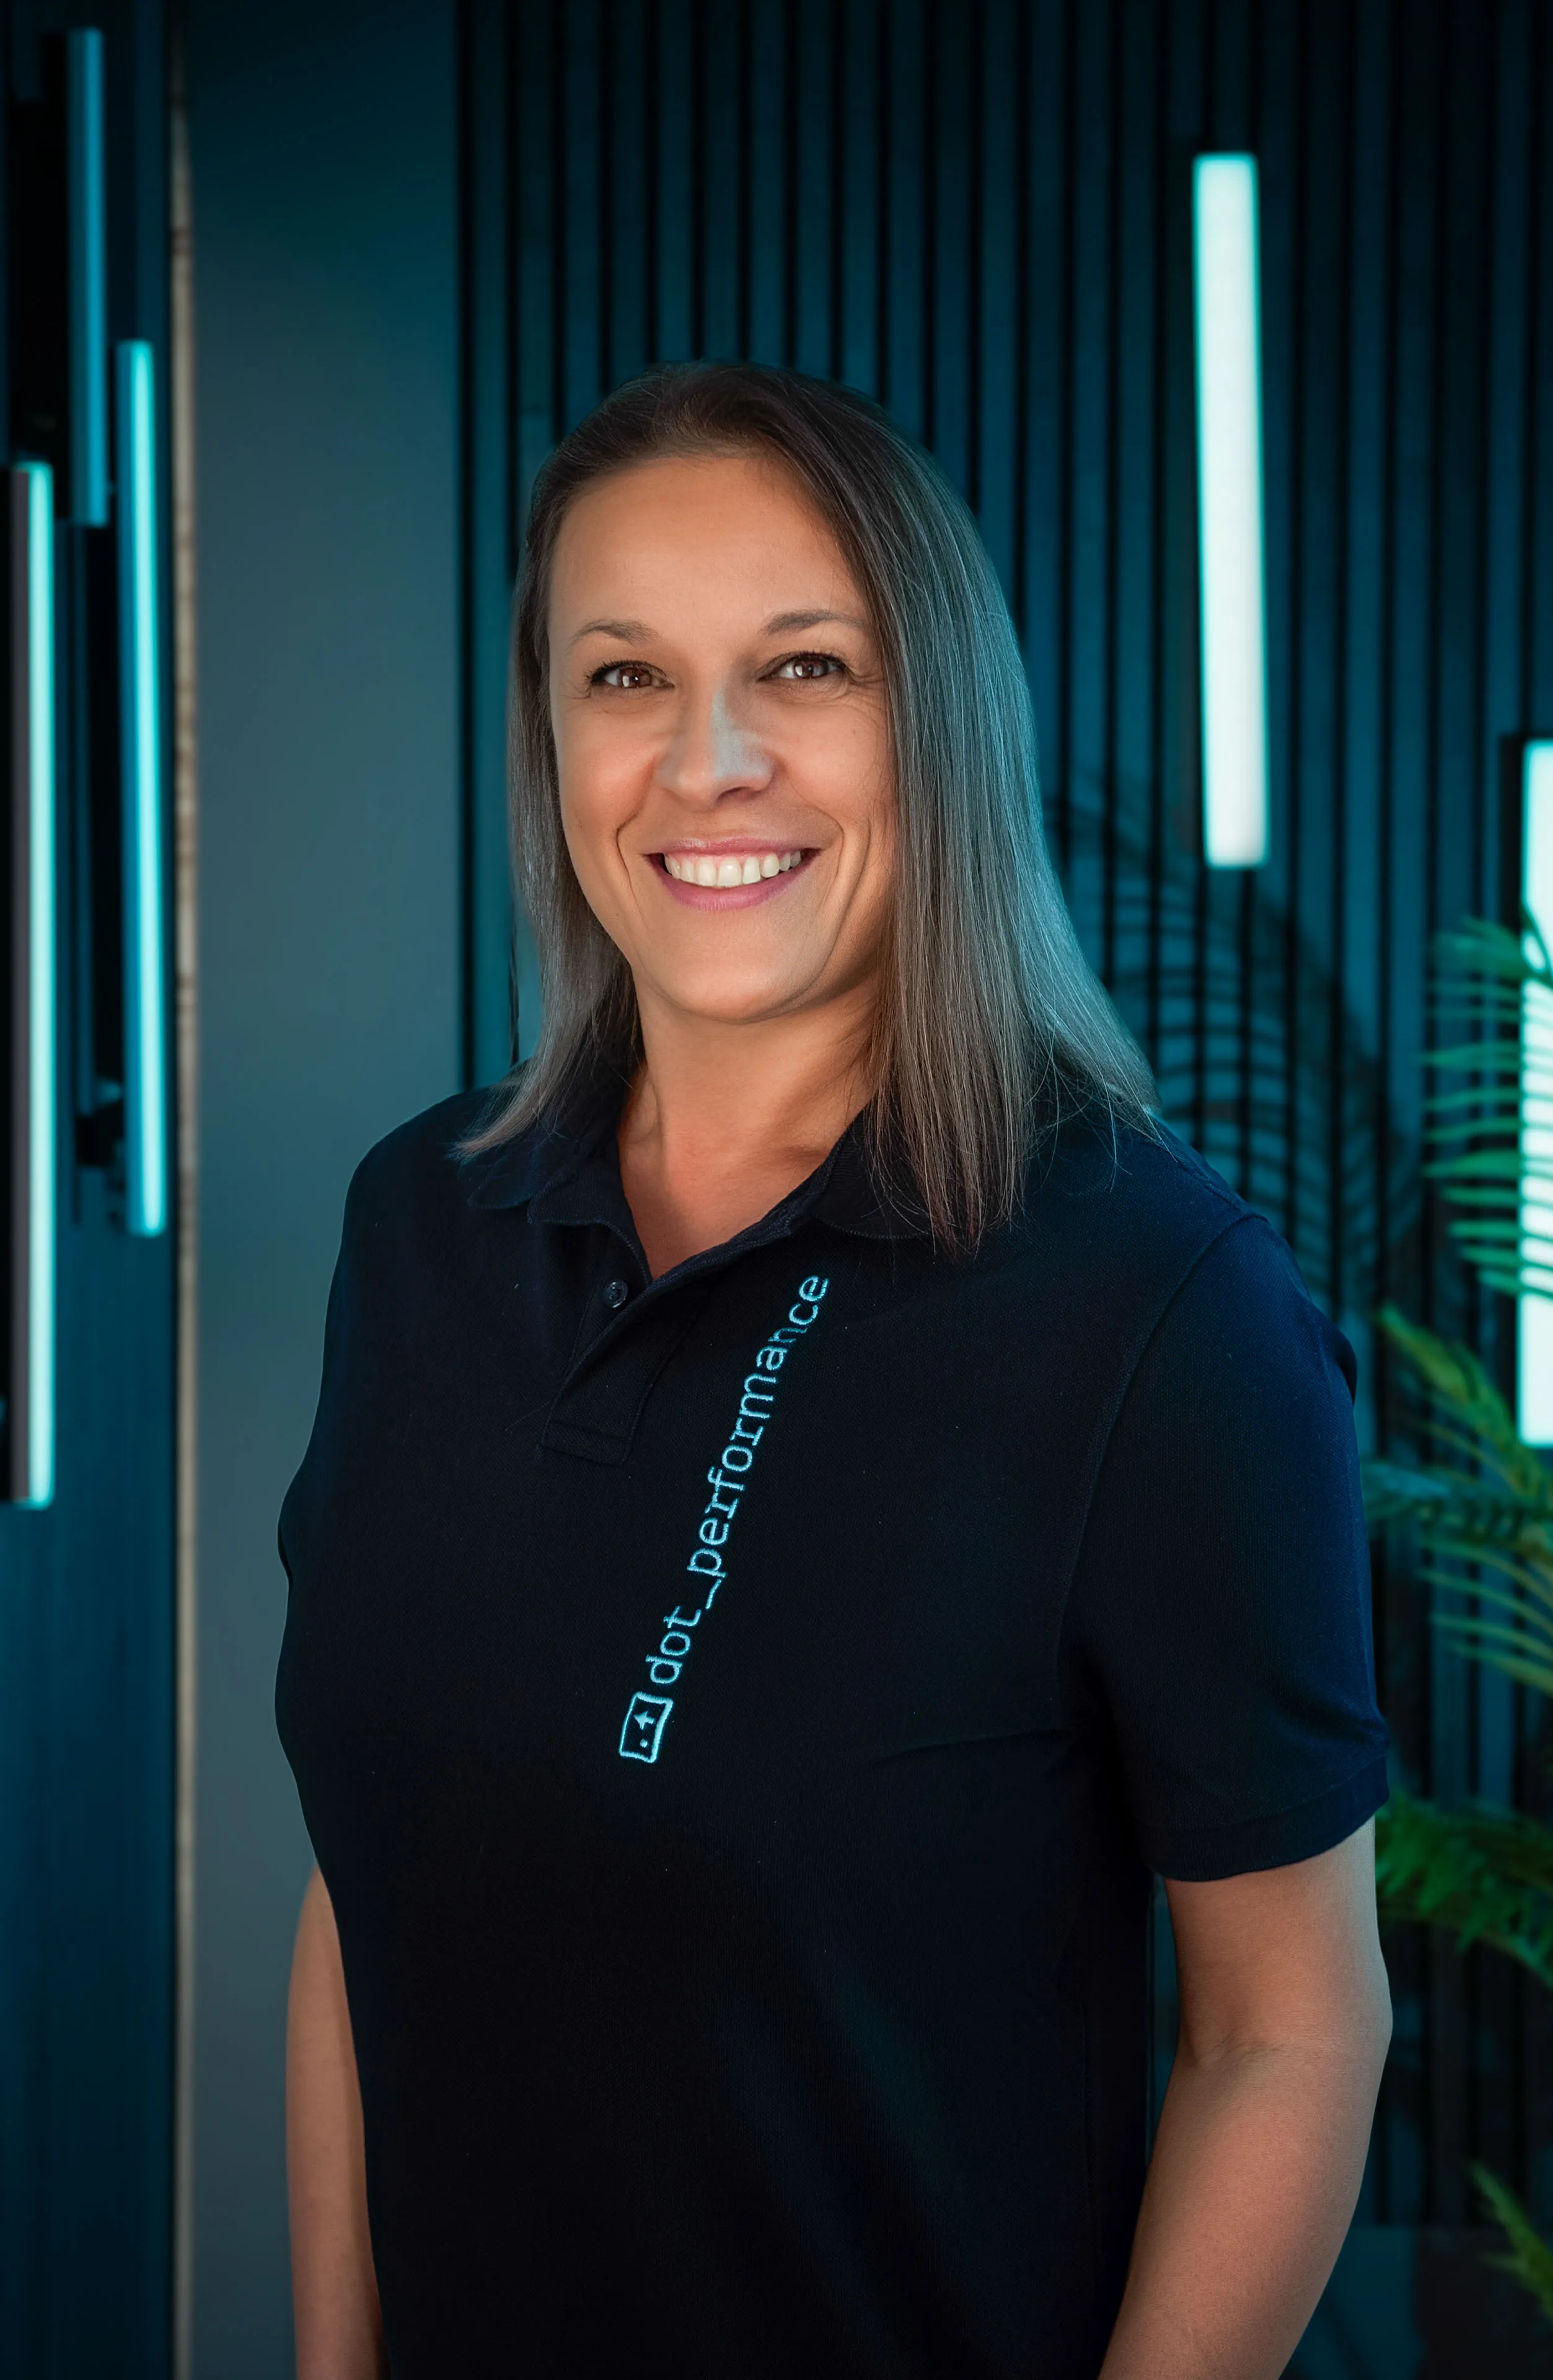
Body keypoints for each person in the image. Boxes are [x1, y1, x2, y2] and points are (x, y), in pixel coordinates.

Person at [276, 361, 1392, 2380]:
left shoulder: (1158, 1302)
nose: (708, 760)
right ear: (551, 740)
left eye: (803, 666)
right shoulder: (417, 1225)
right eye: (625, 677)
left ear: (939, 725)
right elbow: (376, 1876)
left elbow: (1292, 2027)